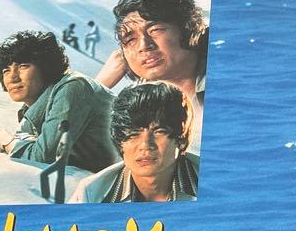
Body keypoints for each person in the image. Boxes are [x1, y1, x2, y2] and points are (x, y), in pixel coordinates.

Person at [0, 30, 117, 174]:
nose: (12, 77)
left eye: (23, 66)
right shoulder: (33, 109)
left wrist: (7, 142)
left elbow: (43, 158)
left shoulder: (73, 87)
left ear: (46, 67)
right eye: (6, 70)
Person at [96, 0, 207, 150]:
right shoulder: (137, 104)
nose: (144, 46)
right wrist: (99, 86)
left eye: (155, 30)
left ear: (188, 29)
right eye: (131, 39)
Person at [71, 82, 200, 203]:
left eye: (159, 132)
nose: (145, 145)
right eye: (133, 134)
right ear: (120, 143)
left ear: (181, 140)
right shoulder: (92, 191)